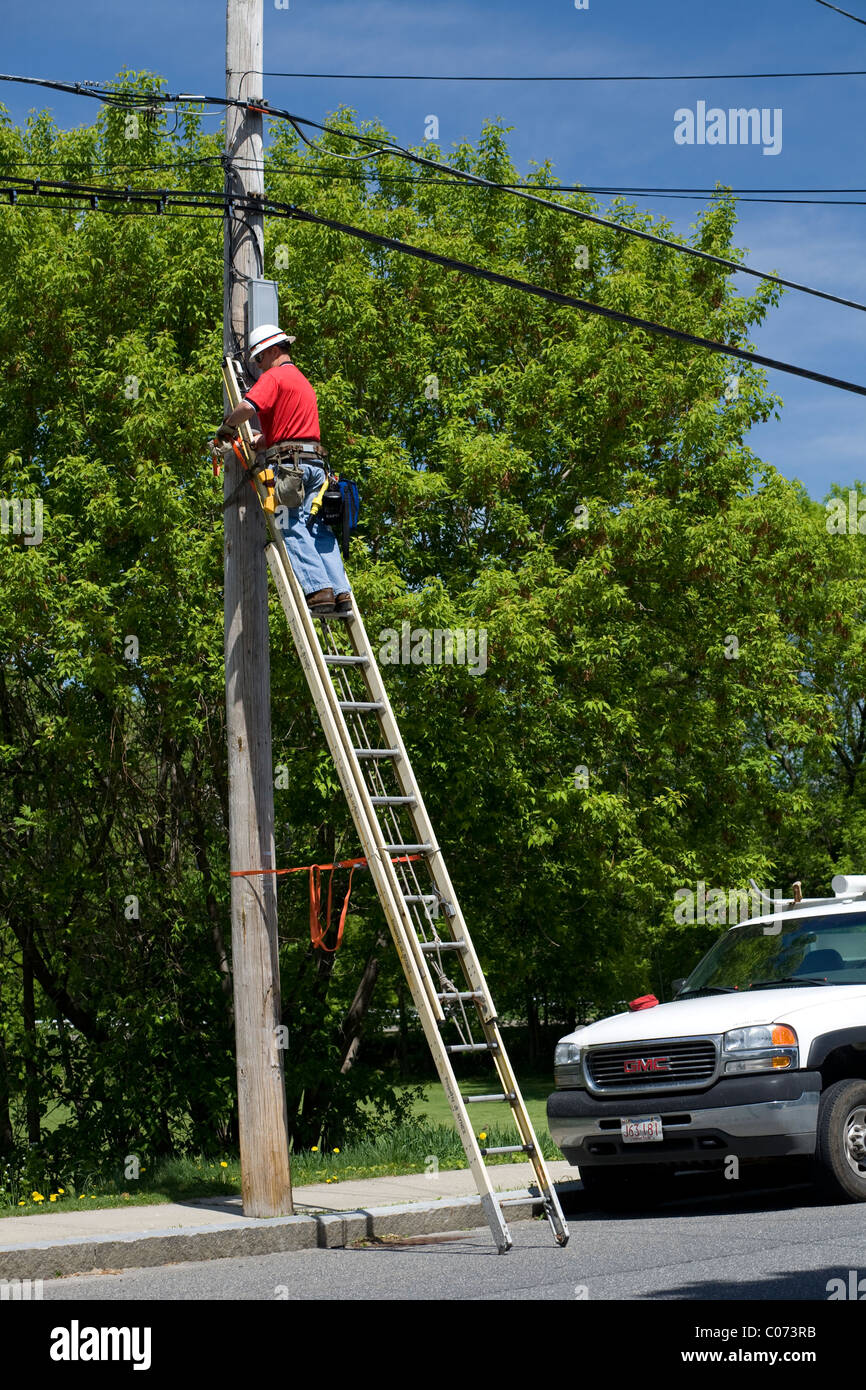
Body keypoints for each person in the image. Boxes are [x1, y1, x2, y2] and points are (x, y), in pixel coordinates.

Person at [221, 324, 351, 616]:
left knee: (289, 523)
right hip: (315, 466)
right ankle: (341, 592)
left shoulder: (274, 377)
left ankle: (319, 591)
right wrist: (261, 441)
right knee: (317, 528)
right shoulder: (302, 382)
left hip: (292, 469)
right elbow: (293, 428)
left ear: (273, 351)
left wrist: (227, 427)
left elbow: (247, 407)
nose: (258, 366)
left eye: (259, 358)